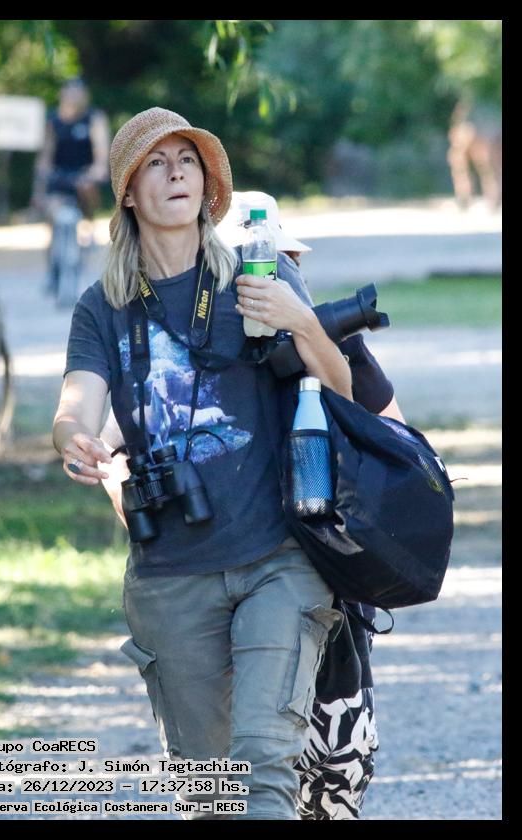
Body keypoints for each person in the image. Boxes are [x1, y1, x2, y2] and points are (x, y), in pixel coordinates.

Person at [53, 106, 374, 820]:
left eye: (187, 161)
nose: (175, 174)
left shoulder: (259, 275)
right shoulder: (103, 306)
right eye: (156, 163)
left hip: (278, 557)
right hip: (170, 573)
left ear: (207, 185)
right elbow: (78, 400)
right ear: (128, 193)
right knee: (208, 791)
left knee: (263, 758)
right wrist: (73, 435)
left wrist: (298, 319)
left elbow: (342, 392)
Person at [99, 189, 405, 819]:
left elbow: (395, 439)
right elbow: (111, 450)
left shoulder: (330, 340)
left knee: (324, 765)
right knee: (220, 770)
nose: (277, 276)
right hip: (203, 571)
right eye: (261, 263)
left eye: (286, 262)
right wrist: (139, 504)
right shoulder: (178, 347)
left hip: (304, 568)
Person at [31, 78, 111, 295]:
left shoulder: (93, 118)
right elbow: (45, 156)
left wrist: (97, 169)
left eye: (78, 93)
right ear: (62, 95)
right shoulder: (53, 120)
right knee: (52, 215)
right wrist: (40, 186)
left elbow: (100, 151)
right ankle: (52, 270)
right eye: (70, 93)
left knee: (88, 188)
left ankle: (90, 227)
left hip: (83, 175)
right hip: (59, 176)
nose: (74, 97)